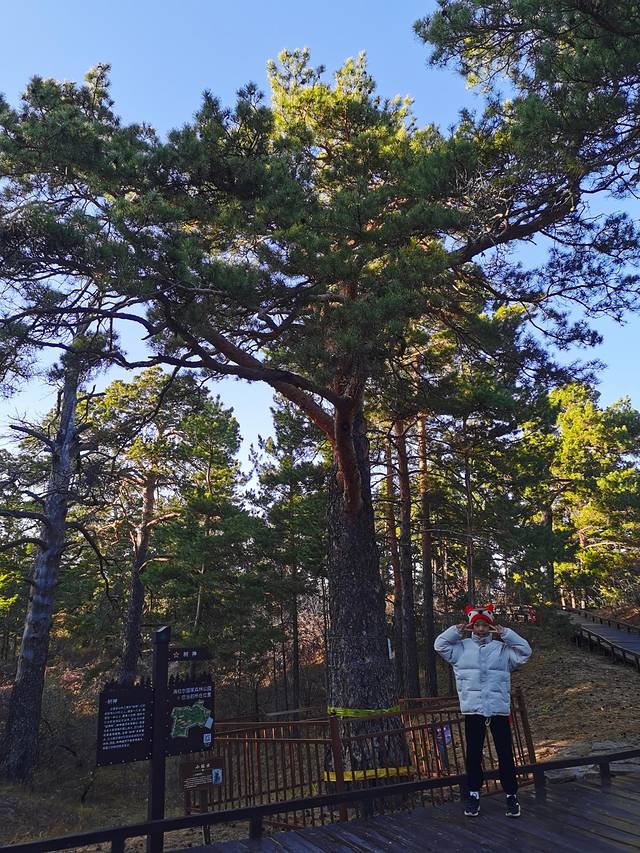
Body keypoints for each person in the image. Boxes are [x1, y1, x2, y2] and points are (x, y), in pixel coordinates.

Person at [434, 603, 531, 819]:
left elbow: (525, 651)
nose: (480, 629)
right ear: (471, 626)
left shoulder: (502, 649)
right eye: (476, 625)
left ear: (490, 627)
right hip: (474, 710)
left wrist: (506, 634)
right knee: (473, 755)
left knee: (505, 754)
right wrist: (455, 631)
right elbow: (439, 645)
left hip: (498, 710)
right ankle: (474, 795)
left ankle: (511, 796)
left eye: (484, 625)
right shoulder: (460, 648)